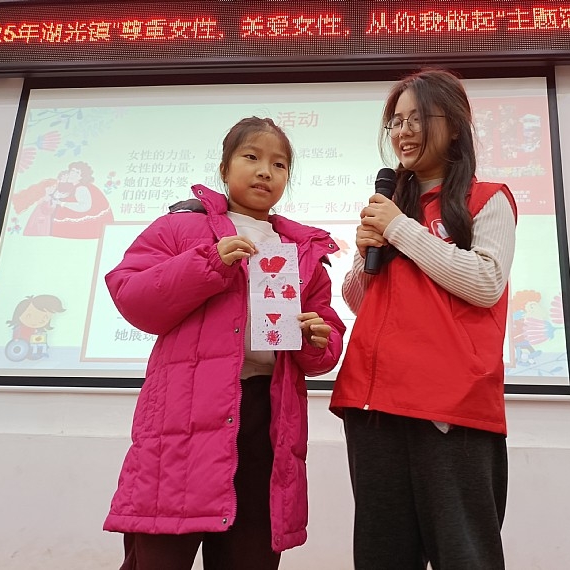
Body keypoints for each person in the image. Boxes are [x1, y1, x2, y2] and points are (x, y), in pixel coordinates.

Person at [103, 117, 346, 570]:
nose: (265, 171)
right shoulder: (180, 229)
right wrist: (209, 263)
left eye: (279, 164)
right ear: (224, 167)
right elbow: (132, 296)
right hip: (184, 415)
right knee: (161, 553)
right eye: (251, 157)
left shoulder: (303, 250)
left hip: (266, 417)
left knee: (249, 553)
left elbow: (324, 346)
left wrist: (318, 339)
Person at [330, 68, 517, 569]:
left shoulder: (487, 198)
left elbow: (486, 283)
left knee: (465, 556)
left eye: (418, 118)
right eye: (396, 121)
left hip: (449, 410)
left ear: (454, 126)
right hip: (373, 406)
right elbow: (359, 300)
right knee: (381, 557)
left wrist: (401, 230)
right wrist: (365, 255)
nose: (403, 131)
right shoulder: (391, 207)